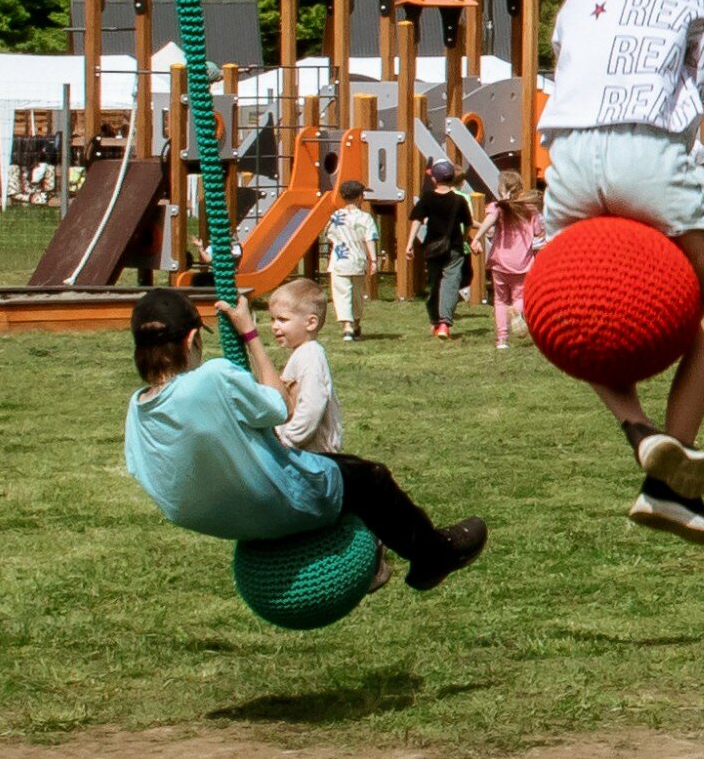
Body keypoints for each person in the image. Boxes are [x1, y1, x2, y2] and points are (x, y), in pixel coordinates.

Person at [529, 0, 704, 542]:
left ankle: (636, 427)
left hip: (567, 156)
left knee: (571, 310)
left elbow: (565, 61)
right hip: (646, 148)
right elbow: (693, 86)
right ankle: (669, 471)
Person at [119, 284, 492, 594]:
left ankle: (375, 560)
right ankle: (434, 555)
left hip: (209, 521)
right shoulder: (213, 377)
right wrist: (250, 334)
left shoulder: (136, 410)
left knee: (330, 472)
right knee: (370, 479)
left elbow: (148, 470)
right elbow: (279, 407)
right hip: (271, 503)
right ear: (192, 338)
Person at [236, 271, 344, 451]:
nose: (274, 326)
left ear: (310, 323)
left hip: (315, 455)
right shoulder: (301, 354)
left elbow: (312, 406)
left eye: (282, 319)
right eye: (273, 319)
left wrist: (287, 439)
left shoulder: (311, 356)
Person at [478, 177, 545, 355]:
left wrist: (477, 237)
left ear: (502, 190)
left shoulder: (498, 207)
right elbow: (539, 234)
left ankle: (502, 340)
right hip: (523, 263)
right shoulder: (530, 210)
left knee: (499, 301)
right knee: (522, 297)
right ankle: (516, 310)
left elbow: (489, 222)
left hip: (500, 263)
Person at [409, 165, 474, 339]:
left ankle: (435, 321)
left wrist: (409, 244)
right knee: (450, 285)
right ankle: (444, 323)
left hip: (433, 248)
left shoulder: (428, 197)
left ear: (434, 179)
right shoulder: (459, 200)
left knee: (434, 285)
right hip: (454, 247)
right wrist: (464, 238)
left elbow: (416, 219)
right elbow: (468, 223)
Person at [320, 188, 381, 342]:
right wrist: (374, 260)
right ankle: (355, 324)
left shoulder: (336, 216)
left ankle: (347, 326)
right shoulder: (365, 218)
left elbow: (328, 234)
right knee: (357, 295)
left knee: (342, 294)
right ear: (360, 197)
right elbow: (370, 238)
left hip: (340, 260)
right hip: (358, 260)